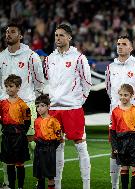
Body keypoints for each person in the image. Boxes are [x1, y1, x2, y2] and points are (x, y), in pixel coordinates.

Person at [44, 24, 92, 189]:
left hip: (73, 108)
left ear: (69, 38)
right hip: (54, 109)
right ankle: (57, 185)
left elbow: (87, 83)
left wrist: (77, 101)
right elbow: (47, 81)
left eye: (61, 35)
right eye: (56, 35)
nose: (58, 38)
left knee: (80, 146)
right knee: (57, 147)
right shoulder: (50, 58)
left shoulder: (79, 58)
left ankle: (86, 186)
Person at [0, 21, 44, 188]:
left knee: (33, 144)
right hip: (5, 106)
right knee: (6, 146)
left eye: (12, 32)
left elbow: (40, 82)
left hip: (26, 105)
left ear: (20, 36)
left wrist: (36, 103)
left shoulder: (31, 56)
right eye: (6, 32)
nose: (8, 34)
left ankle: (40, 179)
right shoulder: (1, 57)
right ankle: (7, 183)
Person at [105, 34, 135, 189]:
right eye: (118, 43)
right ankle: (115, 186)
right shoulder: (110, 67)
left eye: (124, 44)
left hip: (133, 119)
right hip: (116, 118)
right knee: (115, 152)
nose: (120, 46)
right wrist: (116, 109)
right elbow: (109, 90)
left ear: (131, 47)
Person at [110, 84, 135, 189]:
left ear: (131, 95)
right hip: (121, 142)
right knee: (124, 167)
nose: (123, 97)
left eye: (126, 95)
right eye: (121, 95)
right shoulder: (115, 111)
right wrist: (115, 147)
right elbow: (113, 131)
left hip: (134, 141)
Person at [0, 74, 31, 189]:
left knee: (19, 163)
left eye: (11, 86)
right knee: (9, 163)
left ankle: (20, 187)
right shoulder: (2, 103)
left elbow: (27, 120)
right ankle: (11, 186)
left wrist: (21, 133)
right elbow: (2, 119)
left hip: (19, 137)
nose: (8, 89)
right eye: (6, 86)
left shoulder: (23, 105)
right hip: (7, 136)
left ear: (18, 87)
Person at [33, 94, 62, 189]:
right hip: (38, 149)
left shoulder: (53, 121)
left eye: (42, 105)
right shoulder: (36, 121)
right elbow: (36, 135)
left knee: (50, 175)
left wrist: (51, 147)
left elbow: (59, 137)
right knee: (39, 175)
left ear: (48, 106)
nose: (39, 108)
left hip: (49, 149)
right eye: (37, 106)